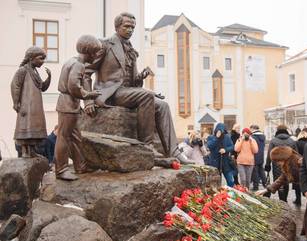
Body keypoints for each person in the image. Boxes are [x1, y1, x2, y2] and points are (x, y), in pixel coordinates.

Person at [84, 12, 193, 164]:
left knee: (163, 105)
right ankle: (147, 146)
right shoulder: (106, 44)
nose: (130, 30)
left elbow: (133, 81)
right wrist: (88, 100)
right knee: (147, 96)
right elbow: (85, 73)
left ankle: (174, 151)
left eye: (133, 27)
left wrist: (141, 76)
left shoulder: (131, 50)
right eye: (126, 26)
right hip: (111, 92)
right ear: (117, 27)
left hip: (128, 92)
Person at [55, 35, 102, 180]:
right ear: (88, 52)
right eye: (95, 53)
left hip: (70, 103)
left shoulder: (72, 61)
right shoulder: (79, 65)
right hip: (68, 104)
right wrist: (89, 95)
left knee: (76, 137)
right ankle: (61, 169)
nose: (96, 57)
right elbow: (74, 86)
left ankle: (80, 165)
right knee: (64, 136)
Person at [11, 46, 51, 158]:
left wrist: (49, 77)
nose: (42, 62)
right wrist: (16, 102)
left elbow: (42, 87)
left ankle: (32, 150)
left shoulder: (35, 72)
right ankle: (24, 150)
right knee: (25, 127)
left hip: (35, 107)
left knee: (34, 128)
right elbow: (15, 86)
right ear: (31, 58)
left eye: (43, 59)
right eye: (40, 58)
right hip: (26, 105)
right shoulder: (23, 70)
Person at [265, 124, 297, 201]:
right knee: (286, 180)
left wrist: (267, 165)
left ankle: (281, 199)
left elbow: (270, 154)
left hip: (277, 165)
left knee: (279, 181)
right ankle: (284, 199)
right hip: (289, 165)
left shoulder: (273, 141)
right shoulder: (291, 141)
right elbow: (296, 154)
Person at [250, 124, 267, 191]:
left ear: (253, 129)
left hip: (254, 156)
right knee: (261, 171)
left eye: (250, 129)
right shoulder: (263, 136)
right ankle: (265, 184)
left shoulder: (253, 137)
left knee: (255, 172)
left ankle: (255, 186)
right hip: (261, 156)